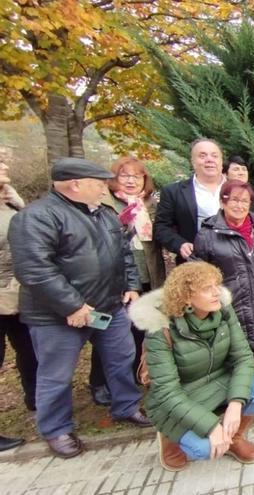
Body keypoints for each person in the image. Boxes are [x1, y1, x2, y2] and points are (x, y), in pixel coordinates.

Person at [9, 158, 150, 459]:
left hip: (108, 308)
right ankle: (57, 429)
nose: (104, 187)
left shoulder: (105, 215)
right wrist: (72, 305)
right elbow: (35, 270)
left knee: (121, 357)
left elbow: (124, 254)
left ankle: (126, 406)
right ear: (75, 183)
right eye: (98, 182)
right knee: (56, 374)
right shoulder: (37, 217)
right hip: (57, 316)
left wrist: (132, 286)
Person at [130, 262, 254, 471]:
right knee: (206, 450)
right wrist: (211, 426)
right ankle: (170, 437)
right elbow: (167, 393)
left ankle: (234, 438)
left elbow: (243, 357)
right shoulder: (160, 329)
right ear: (186, 297)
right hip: (177, 399)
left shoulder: (223, 310)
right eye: (207, 289)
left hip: (218, 380)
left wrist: (235, 402)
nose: (217, 293)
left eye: (217, 285)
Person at [194, 180, 254, 412]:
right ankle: (238, 396)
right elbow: (197, 272)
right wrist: (211, 301)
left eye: (245, 200)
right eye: (234, 199)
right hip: (230, 303)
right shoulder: (208, 234)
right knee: (235, 349)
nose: (239, 205)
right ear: (222, 201)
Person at [88, 156, 167, 407]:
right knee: (111, 332)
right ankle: (99, 381)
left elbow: (159, 238)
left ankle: (133, 375)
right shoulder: (104, 205)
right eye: (125, 176)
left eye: (137, 176)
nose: (131, 181)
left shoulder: (149, 205)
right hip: (115, 279)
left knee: (141, 329)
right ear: (114, 179)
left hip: (148, 275)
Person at [0, 159, 36, 452]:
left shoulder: (11, 202)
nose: (6, 168)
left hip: (18, 295)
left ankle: (36, 401)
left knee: (28, 350)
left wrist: (20, 207)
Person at [155, 138, 226, 264]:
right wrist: (180, 244)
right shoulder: (174, 192)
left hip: (238, 265)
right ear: (193, 162)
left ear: (221, 162)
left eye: (215, 155)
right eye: (202, 155)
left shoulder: (241, 190)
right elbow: (161, 227)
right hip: (195, 262)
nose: (209, 159)